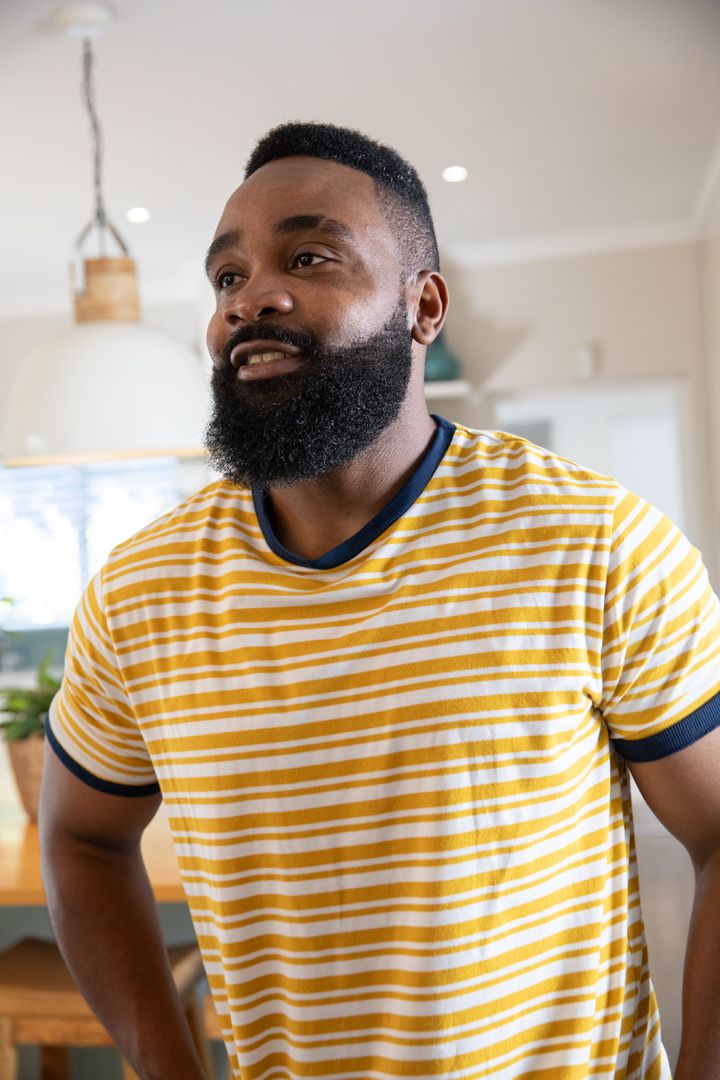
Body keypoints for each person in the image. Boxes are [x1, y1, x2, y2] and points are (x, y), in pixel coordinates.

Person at [40, 121, 720, 1080]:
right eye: (227, 277)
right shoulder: (139, 594)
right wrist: (168, 1065)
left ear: (423, 305)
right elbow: (80, 838)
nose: (249, 298)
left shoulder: (594, 540)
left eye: (309, 257)